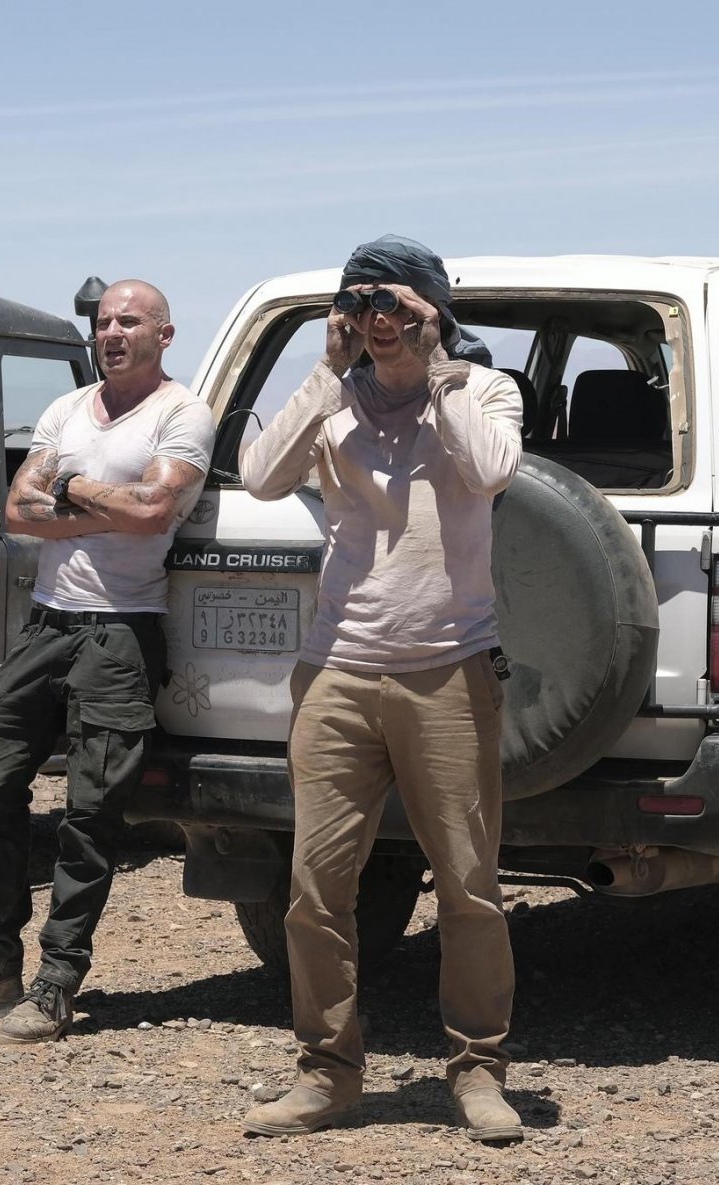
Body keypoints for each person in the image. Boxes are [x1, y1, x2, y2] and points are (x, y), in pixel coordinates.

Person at [237, 236, 524, 1140]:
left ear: (434, 310)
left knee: (469, 885)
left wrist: (436, 369)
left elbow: (491, 470)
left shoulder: (481, 390)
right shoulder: (337, 399)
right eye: (363, 304)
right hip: (338, 669)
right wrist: (327, 371)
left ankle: (478, 1070)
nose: (379, 321)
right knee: (314, 887)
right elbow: (260, 475)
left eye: (396, 303)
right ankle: (327, 1073)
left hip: (449, 669)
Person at [0, 279, 214, 1043]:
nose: (112, 332)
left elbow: (153, 511)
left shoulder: (181, 413)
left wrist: (69, 489)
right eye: (104, 321)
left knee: (91, 811)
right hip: (47, 623)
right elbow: (17, 510)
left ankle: (57, 979)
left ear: (164, 335)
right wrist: (105, 503)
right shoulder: (66, 410)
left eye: (129, 321)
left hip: (122, 630)